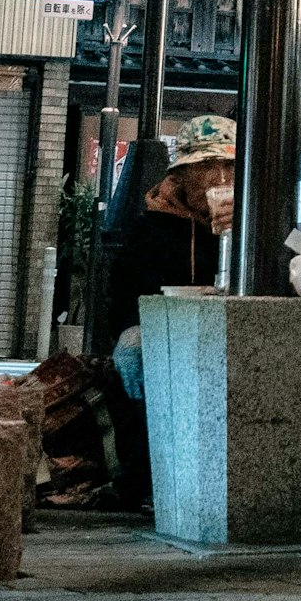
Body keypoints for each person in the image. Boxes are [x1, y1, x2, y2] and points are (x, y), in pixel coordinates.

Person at [88, 115, 237, 515]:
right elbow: (122, 303)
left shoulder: (245, 227)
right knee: (133, 353)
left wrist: (231, 237)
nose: (219, 178)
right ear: (183, 174)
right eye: (207, 167)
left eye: (228, 167)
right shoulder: (150, 227)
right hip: (164, 331)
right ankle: (143, 476)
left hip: (225, 330)